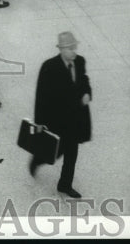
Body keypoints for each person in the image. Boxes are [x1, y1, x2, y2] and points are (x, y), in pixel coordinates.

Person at [30, 31, 92, 198]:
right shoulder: (49, 67)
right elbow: (41, 96)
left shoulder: (80, 62)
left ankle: (65, 185)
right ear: (62, 49)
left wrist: (87, 92)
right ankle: (37, 159)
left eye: (75, 47)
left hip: (75, 119)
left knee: (72, 154)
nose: (74, 51)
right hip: (57, 120)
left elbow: (84, 79)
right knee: (56, 151)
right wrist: (39, 122)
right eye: (70, 48)